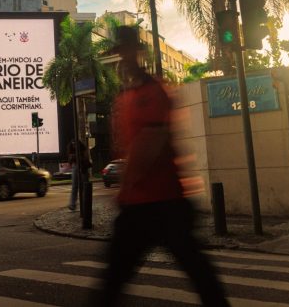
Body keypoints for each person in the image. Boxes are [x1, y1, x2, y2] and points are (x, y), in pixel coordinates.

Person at [99, 26, 229, 307]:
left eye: (127, 53)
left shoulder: (152, 92)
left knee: (196, 272)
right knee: (116, 278)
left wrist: (125, 188)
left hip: (161, 202)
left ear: (138, 54)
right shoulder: (127, 97)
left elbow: (150, 142)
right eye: (119, 55)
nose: (122, 61)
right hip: (145, 203)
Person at [67, 138, 90, 211]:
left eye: (75, 144)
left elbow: (86, 159)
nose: (74, 146)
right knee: (75, 186)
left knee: (82, 186)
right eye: (73, 144)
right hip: (77, 166)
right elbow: (70, 160)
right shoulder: (72, 150)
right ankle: (73, 204)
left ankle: (82, 204)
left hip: (82, 167)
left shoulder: (82, 149)